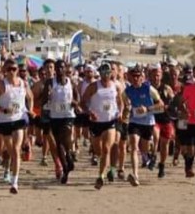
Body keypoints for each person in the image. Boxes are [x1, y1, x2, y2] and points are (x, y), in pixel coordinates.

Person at [0, 58, 33, 194]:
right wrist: (2, 110)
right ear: (4, 71)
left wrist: (29, 110)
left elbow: (30, 97)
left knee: (16, 149)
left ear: (18, 70)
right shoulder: (0, 85)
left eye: (14, 69)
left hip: (19, 119)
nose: (12, 72)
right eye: (9, 69)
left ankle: (14, 182)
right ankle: (8, 168)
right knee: (10, 151)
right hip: (5, 121)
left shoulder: (23, 84)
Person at [82, 62, 123, 190]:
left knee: (106, 149)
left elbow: (120, 101)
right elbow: (83, 102)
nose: (105, 75)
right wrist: (89, 112)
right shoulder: (93, 87)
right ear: (99, 73)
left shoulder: (116, 86)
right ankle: (108, 167)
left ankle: (101, 176)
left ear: (111, 73)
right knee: (99, 151)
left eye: (108, 72)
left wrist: (120, 112)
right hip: (95, 123)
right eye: (103, 73)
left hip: (110, 121)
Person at [122, 65, 164, 187]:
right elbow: (125, 105)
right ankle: (135, 175)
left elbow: (161, 105)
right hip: (135, 121)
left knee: (144, 149)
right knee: (134, 146)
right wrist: (126, 111)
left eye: (138, 76)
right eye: (133, 76)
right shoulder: (127, 91)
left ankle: (147, 157)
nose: (135, 79)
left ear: (142, 77)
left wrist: (147, 108)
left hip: (148, 122)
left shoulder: (149, 89)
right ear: (129, 77)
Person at [42, 59, 79, 184]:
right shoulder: (50, 83)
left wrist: (74, 103)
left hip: (68, 115)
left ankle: (69, 155)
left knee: (66, 136)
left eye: (61, 67)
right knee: (58, 145)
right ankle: (65, 169)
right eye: (57, 68)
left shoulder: (70, 82)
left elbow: (77, 97)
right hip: (55, 116)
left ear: (65, 69)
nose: (59, 70)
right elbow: (43, 100)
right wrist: (47, 96)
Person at [148, 63, 174, 178]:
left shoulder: (166, 88)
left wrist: (168, 106)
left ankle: (162, 164)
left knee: (165, 144)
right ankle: (153, 155)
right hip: (153, 118)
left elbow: (172, 103)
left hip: (165, 118)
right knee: (155, 135)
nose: (156, 77)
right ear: (150, 75)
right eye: (153, 75)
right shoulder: (147, 88)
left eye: (158, 75)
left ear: (161, 75)